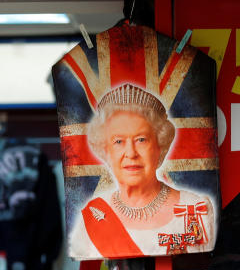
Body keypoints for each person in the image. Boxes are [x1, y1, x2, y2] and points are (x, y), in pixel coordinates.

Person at [69, 83, 216, 258]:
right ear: (105, 151)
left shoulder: (194, 208)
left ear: (160, 147)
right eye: (118, 141)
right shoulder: (93, 217)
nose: (131, 153)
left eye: (141, 139)